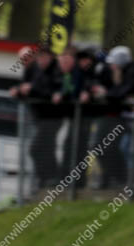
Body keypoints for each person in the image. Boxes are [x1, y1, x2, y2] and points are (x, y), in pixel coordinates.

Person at [91, 46, 134, 187]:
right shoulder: (112, 71)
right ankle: (110, 176)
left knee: (122, 148)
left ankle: (123, 179)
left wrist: (106, 94)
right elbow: (100, 83)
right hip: (113, 115)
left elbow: (122, 92)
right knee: (99, 146)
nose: (111, 66)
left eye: (114, 63)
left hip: (127, 117)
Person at [51, 46, 94, 184]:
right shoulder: (66, 74)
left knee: (77, 146)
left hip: (83, 117)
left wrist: (86, 93)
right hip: (73, 117)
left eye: (65, 62)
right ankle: (66, 178)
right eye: (60, 63)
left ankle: (78, 181)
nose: (62, 66)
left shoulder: (79, 72)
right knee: (69, 145)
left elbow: (83, 87)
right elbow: (65, 89)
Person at [27, 44, 61, 189]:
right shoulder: (34, 70)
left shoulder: (56, 71)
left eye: (45, 57)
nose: (42, 60)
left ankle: (49, 177)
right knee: (48, 147)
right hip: (40, 117)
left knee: (35, 149)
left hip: (52, 117)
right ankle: (49, 179)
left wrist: (33, 89)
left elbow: (51, 91)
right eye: (40, 57)